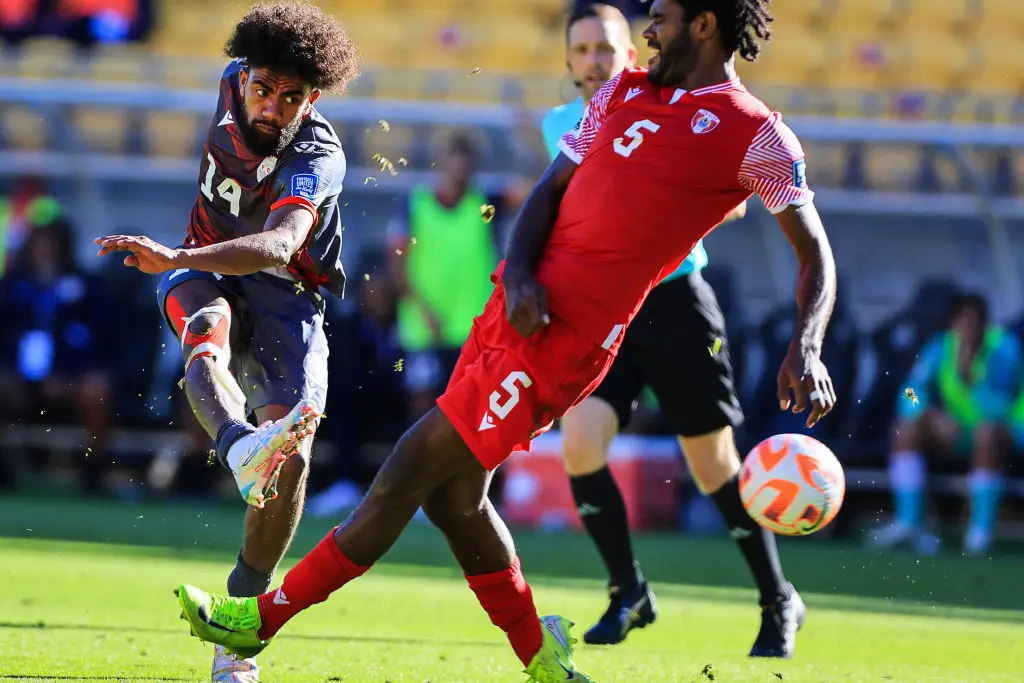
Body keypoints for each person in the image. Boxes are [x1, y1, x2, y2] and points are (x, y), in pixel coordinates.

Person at [171, 0, 837, 680]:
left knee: (407, 468)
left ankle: (257, 620)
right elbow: (551, 190)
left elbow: (816, 254)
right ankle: (540, 655)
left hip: (565, 341)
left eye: (662, 15)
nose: (649, 29)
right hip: (509, 312)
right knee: (455, 498)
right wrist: (518, 273)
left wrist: (805, 346)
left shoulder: (757, 135)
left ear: (704, 24)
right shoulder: (624, 90)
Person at [95, 3, 359, 681]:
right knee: (203, 336)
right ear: (244, 76)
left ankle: (236, 630)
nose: (272, 107)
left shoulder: (316, 154)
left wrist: (178, 247)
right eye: (264, 88)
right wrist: (188, 255)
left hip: (288, 291)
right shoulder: (230, 80)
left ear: (313, 99)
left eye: (292, 97)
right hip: (204, 265)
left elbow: (278, 244)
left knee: (293, 460)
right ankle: (240, 446)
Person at [542, 3, 803, 657]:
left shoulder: (670, 105)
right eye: (583, 50)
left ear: (629, 50)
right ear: (569, 61)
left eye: (607, 47)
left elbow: (730, 188)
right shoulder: (561, 125)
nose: (596, 59)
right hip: (608, 305)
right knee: (580, 441)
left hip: (678, 299)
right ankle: (627, 590)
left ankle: (778, 596)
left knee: (713, 462)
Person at [871, 293, 1023, 557]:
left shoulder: (1003, 348)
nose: (968, 329)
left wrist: (967, 377)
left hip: (1009, 430)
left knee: (986, 434)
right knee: (907, 428)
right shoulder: (941, 346)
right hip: (959, 433)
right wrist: (928, 412)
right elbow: (910, 389)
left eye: (975, 322)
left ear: (985, 323)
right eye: (963, 321)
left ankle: (979, 533)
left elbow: (996, 409)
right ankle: (909, 524)